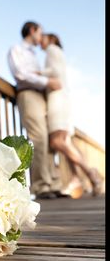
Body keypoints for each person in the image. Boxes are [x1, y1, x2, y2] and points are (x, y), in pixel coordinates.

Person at [40, 33, 103, 197]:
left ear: (52, 39)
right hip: (63, 99)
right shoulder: (59, 53)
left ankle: (91, 173)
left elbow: (54, 71)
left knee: (56, 141)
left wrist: (37, 72)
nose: (41, 41)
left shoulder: (52, 49)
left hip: (57, 99)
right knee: (65, 141)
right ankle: (76, 178)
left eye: (44, 38)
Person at [8, 21, 65, 199]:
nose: (41, 37)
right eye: (40, 33)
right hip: (29, 93)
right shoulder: (17, 49)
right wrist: (47, 82)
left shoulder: (33, 54)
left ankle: (53, 183)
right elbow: (20, 74)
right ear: (32, 31)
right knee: (39, 136)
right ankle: (41, 186)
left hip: (41, 96)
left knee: (47, 138)